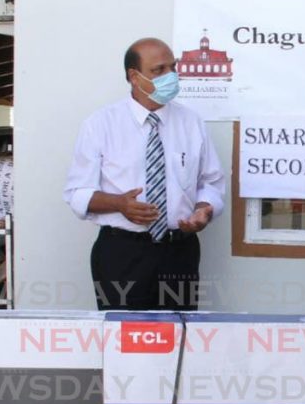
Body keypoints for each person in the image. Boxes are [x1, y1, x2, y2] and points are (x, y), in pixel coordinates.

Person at [63, 37, 225, 310]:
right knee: (125, 340)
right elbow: (77, 193)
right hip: (123, 254)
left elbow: (211, 183)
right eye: (158, 70)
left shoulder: (192, 122)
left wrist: (203, 210)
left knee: (178, 339)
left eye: (173, 68)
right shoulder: (101, 124)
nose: (170, 76)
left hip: (179, 252)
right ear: (134, 77)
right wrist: (119, 204)